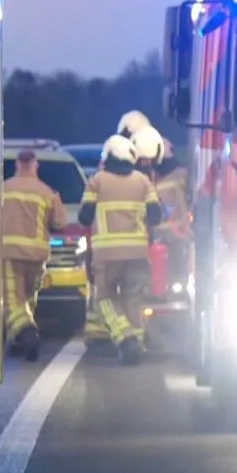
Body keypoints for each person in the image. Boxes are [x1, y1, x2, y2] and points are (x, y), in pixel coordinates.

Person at [78, 134, 161, 365]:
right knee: (133, 298)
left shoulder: (97, 181)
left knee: (105, 298)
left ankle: (126, 339)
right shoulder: (143, 181)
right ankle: (137, 346)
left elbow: (84, 216)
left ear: (108, 156)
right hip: (138, 253)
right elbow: (155, 216)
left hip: (107, 254)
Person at [0, 148, 67, 363]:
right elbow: (60, 222)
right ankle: (18, 341)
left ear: (17, 165)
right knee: (28, 299)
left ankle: (28, 334)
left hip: (10, 253)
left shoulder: (3, 189)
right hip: (37, 256)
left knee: (13, 301)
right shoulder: (47, 192)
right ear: (36, 166)